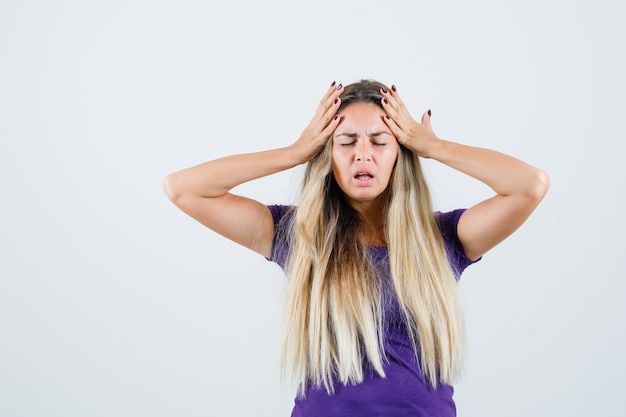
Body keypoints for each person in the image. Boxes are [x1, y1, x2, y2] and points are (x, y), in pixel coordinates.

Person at [163, 79, 550, 416]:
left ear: (400, 153)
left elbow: (530, 185)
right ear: (327, 156)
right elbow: (184, 189)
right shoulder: (300, 236)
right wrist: (294, 153)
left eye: (380, 142)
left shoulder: (443, 236)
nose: (362, 153)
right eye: (346, 142)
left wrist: (433, 146)